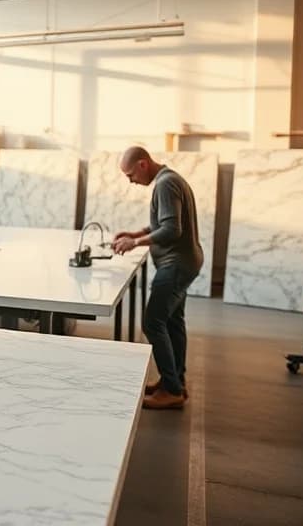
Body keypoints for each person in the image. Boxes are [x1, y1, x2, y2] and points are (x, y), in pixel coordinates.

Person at [112, 146, 203, 410]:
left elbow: (172, 229)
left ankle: (172, 390)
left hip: (176, 264)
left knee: (152, 322)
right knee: (173, 322)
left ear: (143, 164)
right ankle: (172, 381)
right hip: (185, 261)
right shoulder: (170, 179)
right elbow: (164, 222)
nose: (130, 181)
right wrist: (136, 231)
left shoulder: (165, 184)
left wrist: (136, 242)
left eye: (130, 174)